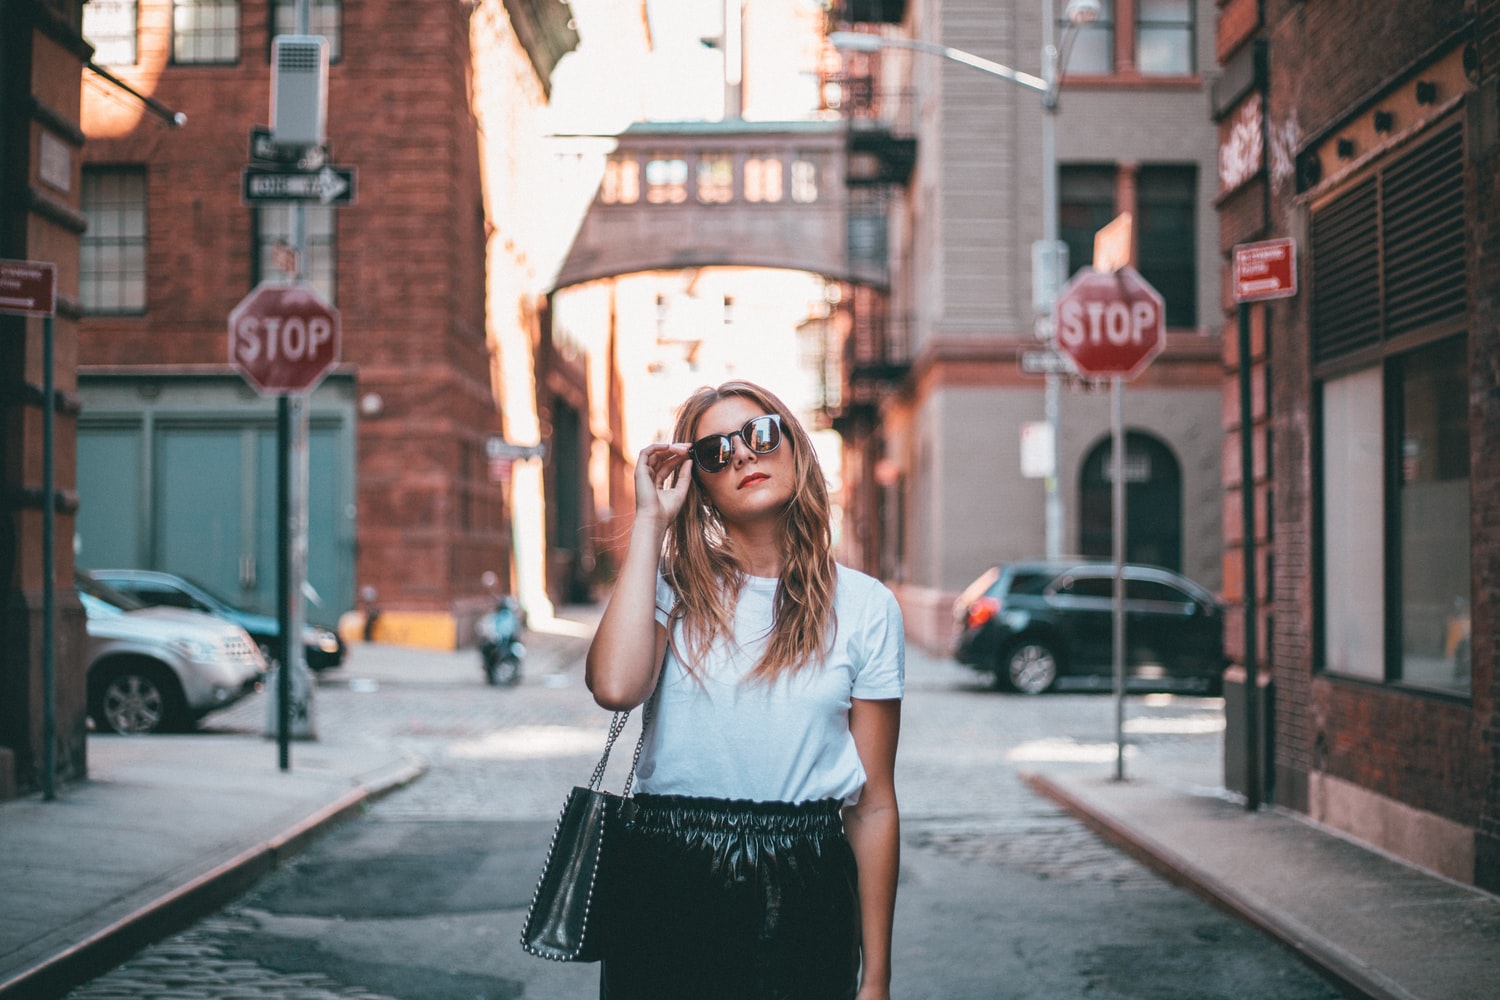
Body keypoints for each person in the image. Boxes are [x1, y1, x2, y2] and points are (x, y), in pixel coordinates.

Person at [586, 380, 904, 1000]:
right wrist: (651, 522)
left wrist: (878, 978)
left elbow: (873, 805)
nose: (740, 456)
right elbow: (616, 687)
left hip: (806, 875)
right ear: (698, 483)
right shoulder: (669, 590)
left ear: (794, 447)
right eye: (713, 453)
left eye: (758, 434)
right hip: (671, 870)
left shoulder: (867, 607)